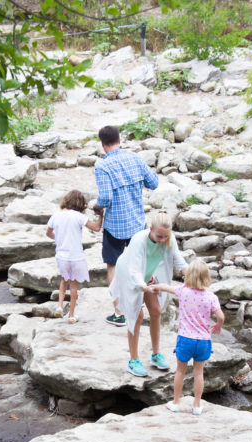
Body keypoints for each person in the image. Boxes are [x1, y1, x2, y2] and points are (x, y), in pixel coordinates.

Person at [94, 124, 159, 327]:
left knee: (113, 265)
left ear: (103, 144)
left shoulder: (103, 167)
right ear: (120, 140)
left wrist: (97, 207)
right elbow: (154, 183)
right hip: (137, 223)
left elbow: (105, 197)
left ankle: (119, 313)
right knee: (140, 264)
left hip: (114, 226)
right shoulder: (135, 159)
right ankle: (145, 307)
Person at [108, 212, 187, 378]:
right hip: (129, 275)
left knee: (156, 311)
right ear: (150, 229)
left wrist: (191, 278)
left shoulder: (169, 239)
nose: (162, 240)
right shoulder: (139, 240)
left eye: (166, 236)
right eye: (159, 236)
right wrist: (143, 287)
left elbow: (178, 260)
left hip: (147, 273)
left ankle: (156, 355)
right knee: (136, 315)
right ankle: (133, 360)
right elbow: (134, 270)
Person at [151, 259, 224, 416]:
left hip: (185, 339)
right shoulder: (211, 297)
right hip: (203, 340)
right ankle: (197, 405)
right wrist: (218, 325)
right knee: (199, 373)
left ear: (188, 276)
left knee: (180, 371)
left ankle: (176, 402)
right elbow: (221, 316)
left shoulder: (183, 291)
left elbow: (166, 287)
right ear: (206, 277)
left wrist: (155, 287)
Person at [46, 190, 103, 323]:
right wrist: (101, 216)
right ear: (80, 204)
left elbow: (48, 233)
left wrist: (57, 239)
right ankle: (71, 316)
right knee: (73, 286)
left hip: (61, 256)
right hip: (76, 257)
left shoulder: (56, 216)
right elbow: (96, 228)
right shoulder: (79, 216)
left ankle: (59, 307)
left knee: (63, 280)